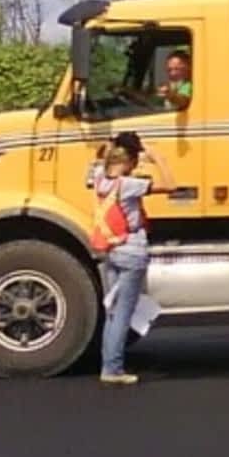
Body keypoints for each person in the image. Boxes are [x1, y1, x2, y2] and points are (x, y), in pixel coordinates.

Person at [86, 131, 171, 385]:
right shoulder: (128, 184)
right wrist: (158, 158)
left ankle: (109, 365)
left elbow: (96, 163)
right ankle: (112, 369)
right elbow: (171, 185)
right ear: (129, 162)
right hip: (132, 251)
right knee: (123, 313)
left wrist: (109, 147)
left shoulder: (100, 179)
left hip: (111, 250)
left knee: (113, 312)